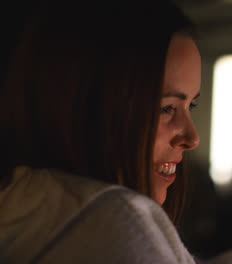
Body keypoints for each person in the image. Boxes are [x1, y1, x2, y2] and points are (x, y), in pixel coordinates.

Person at [0, 1, 201, 263]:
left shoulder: (24, 207)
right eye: (166, 108)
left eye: (191, 105)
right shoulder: (115, 229)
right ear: (88, 109)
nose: (192, 138)